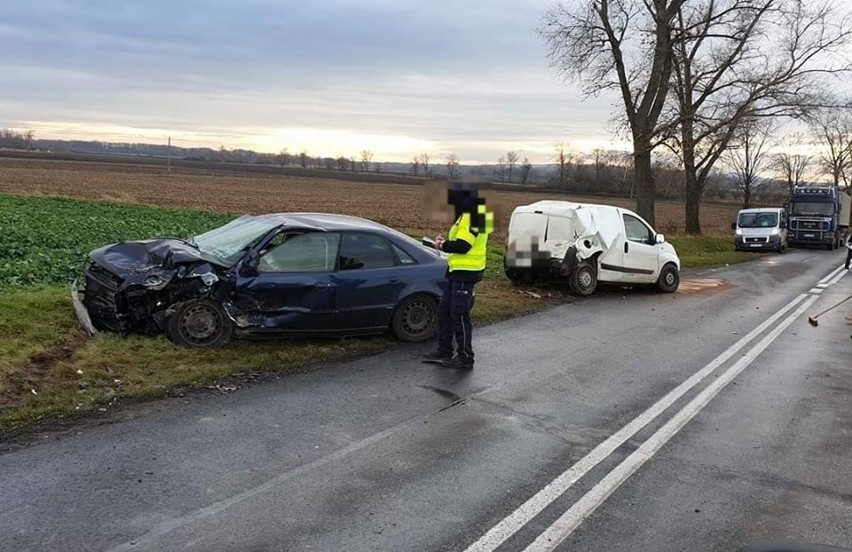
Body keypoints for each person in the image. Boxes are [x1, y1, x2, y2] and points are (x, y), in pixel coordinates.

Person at [422, 182, 493, 369]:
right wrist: (444, 242)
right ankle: (444, 350)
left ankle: (465, 357)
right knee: (444, 311)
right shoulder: (469, 215)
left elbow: (464, 246)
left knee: (459, 314)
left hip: (466, 273)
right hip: (457, 271)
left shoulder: (474, 216)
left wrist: (442, 245)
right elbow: (461, 241)